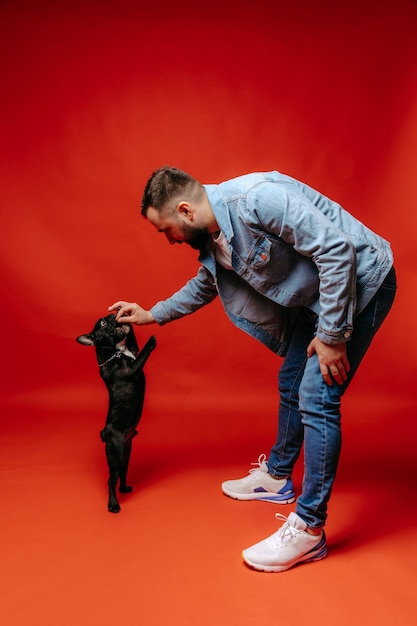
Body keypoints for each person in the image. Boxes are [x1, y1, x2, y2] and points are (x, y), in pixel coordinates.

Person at [109, 166, 396, 573]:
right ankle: (278, 479)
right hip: (321, 297)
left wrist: (333, 336)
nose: (169, 240)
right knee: (292, 382)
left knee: (316, 395)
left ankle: (310, 530)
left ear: (185, 211)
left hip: (362, 283)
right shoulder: (213, 238)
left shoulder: (256, 199)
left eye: (165, 230)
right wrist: (152, 314)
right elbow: (205, 285)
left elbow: (336, 251)